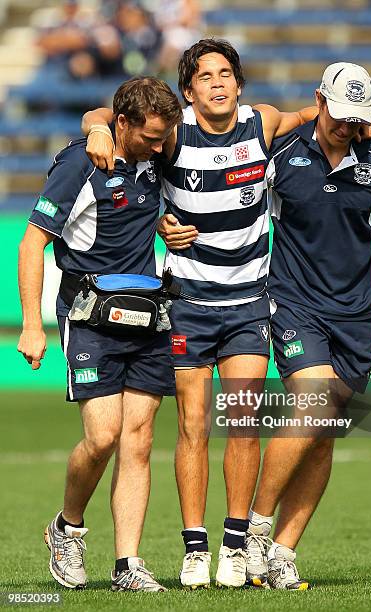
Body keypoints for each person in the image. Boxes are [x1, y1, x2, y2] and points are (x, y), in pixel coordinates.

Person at [81, 38, 334, 589]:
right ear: (188, 90)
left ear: (238, 84)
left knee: (243, 426)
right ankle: (194, 548)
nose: (217, 83)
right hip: (188, 305)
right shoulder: (173, 136)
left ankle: (236, 546)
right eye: (204, 76)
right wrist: (97, 127)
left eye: (225, 74)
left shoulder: (262, 124)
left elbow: (316, 111)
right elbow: (108, 115)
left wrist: (353, 114)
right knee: (193, 427)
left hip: (248, 305)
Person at [244, 62, 371, 589]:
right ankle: (254, 530)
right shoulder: (280, 153)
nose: (346, 126)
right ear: (319, 101)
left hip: (357, 313)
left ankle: (282, 554)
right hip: (292, 302)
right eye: (338, 114)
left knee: (324, 434)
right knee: (313, 402)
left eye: (358, 117)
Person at [17, 76, 182, 592]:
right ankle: (67, 526)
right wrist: (31, 324)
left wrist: (165, 226)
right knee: (103, 436)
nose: (162, 147)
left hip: (148, 313)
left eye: (165, 137)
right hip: (88, 315)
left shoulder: (154, 150)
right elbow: (30, 244)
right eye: (152, 137)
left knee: (138, 440)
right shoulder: (79, 164)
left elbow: (99, 113)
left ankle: (128, 565)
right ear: (124, 124)